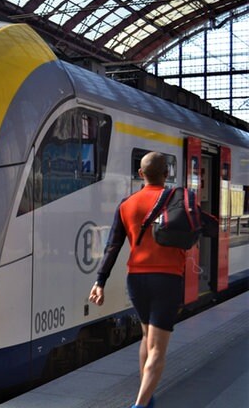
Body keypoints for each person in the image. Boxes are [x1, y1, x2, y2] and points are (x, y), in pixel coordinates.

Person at [87, 151, 185, 408]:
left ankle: (147, 397)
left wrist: (100, 281)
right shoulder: (176, 200)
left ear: (140, 174)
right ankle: (140, 405)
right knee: (158, 350)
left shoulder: (126, 204)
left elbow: (113, 246)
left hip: (137, 280)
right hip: (168, 278)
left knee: (146, 338)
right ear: (167, 174)